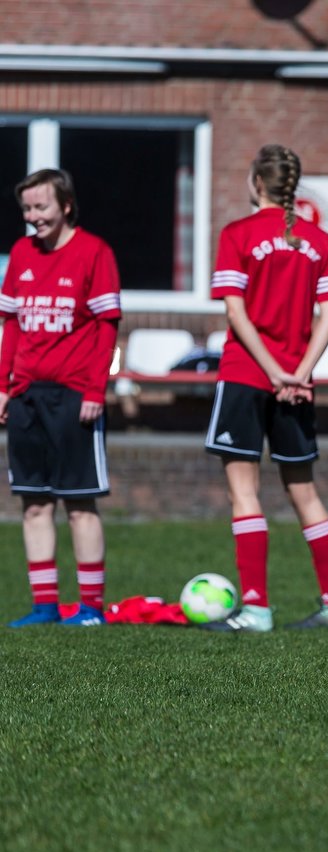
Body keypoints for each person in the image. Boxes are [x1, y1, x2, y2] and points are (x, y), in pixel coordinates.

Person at [201, 144, 328, 632]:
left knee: (244, 494)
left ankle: (256, 608)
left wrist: (271, 370)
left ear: (255, 183)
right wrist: (301, 371)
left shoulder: (237, 234)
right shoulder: (319, 240)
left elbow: (234, 312)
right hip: (296, 382)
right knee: (304, 492)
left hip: (249, 376)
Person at [0, 169, 121, 627]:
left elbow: (107, 326)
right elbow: (10, 323)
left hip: (75, 395)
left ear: (66, 205)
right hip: (27, 393)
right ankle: (44, 606)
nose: (33, 217)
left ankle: (90, 607)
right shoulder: (21, 252)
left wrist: (95, 389)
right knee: (33, 503)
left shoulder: (95, 252)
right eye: (27, 209)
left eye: (41, 207)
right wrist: (3, 386)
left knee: (80, 503)